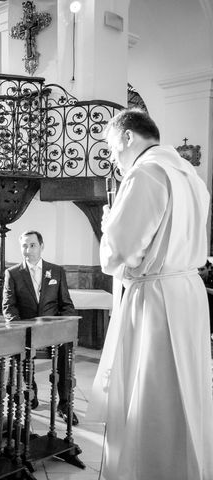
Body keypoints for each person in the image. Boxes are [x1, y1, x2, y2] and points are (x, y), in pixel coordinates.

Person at [86, 109, 213, 479]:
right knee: (185, 388)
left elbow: (118, 253)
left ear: (128, 138)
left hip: (157, 297)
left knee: (151, 392)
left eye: (112, 148)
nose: (114, 158)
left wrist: (109, 225)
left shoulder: (145, 173)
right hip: (188, 292)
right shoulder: (191, 177)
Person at [2, 230, 77, 424]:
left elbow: (66, 305)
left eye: (32, 245)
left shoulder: (57, 272)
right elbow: (8, 307)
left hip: (52, 331)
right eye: (24, 246)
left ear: (41, 246)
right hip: (26, 330)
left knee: (66, 348)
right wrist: (20, 328)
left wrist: (63, 326)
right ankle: (31, 390)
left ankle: (65, 403)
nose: (28, 250)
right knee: (22, 347)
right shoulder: (13, 273)